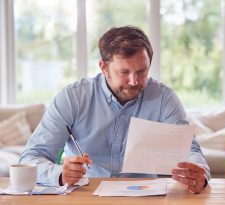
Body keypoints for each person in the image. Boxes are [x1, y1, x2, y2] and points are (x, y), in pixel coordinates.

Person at [19, 26, 210, 194]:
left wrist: (199, 172)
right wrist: (59, 174)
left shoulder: (164, 98)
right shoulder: (73, 98)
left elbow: (190, 150)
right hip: (84, 194)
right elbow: (31, 157)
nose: (134, 81)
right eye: (124, 72)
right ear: (103, 67)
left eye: (142, 71)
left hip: (145, 196)